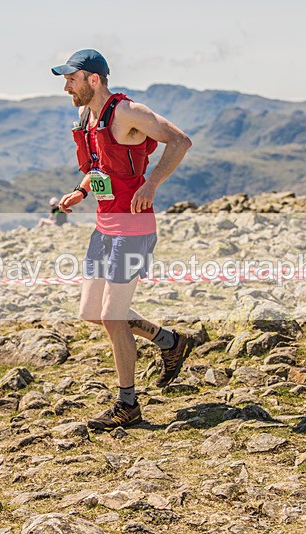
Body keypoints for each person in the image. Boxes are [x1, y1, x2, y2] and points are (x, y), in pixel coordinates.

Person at [52, 49, 196, 431]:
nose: (67, 87)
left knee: (114, 317)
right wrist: (81, 192)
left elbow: (179, 141)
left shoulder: (127, 111)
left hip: (133, 229)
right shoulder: (87, 116)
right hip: (103, 228)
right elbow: (100, 165)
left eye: (71, 79)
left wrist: (151, 183)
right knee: (92, 313)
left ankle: (127, 404)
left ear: (93, 79)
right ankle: (169, 341)